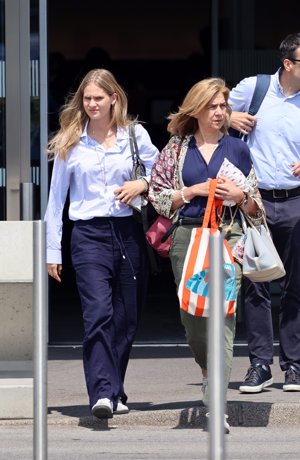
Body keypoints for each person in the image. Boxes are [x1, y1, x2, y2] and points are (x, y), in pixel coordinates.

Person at [148, 77, 264, 432]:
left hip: (228, 237)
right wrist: (192, 190)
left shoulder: (239, 150)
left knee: (224, 320)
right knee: (194, 319)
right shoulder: (177, 149)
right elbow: (157, 195)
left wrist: (240, 197)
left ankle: (217, 403)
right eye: (212, 106)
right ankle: (206, 371)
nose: (219, 112)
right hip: (187, 237)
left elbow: (257, 209)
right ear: (196, 110)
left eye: (223, 107)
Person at [44, 68, 159, 418]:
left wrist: (142, 185)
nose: (92, 104)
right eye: (87, 98)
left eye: (98, 98)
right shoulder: (71, 140)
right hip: (88, 236)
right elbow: (55, 200)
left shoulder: (135, 135)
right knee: (98, 314)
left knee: (126, 318)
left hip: (128, 232)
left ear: (113, 98)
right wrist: (53, 249)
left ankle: (115, 389)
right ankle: (102, 393)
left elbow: (164, 173)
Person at [229, 32, 300, 394]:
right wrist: (231, 116)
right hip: (254, 201)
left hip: (297, 200)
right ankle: (260, 364)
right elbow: (206, 112)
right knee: (256, 282)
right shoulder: (253, 88)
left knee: (295, 284)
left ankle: (295, 364)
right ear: (288, 64)